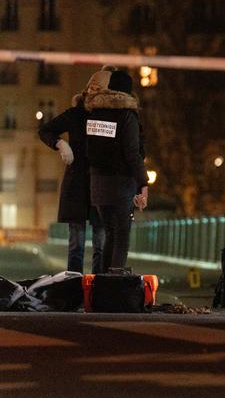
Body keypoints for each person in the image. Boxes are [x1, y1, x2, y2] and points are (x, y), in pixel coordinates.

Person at [38, 66, 115, 273]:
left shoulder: (111, 117)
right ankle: (73, 284)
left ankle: (98, 285)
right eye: (90, 87)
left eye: (97, 88)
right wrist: (60, 144)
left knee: (101, 243)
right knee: (76, 244)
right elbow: (45, 130)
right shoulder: (75, 114)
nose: (91, 91)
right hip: (77, 184)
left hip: (101, 183)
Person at [85, 69, 148, 273]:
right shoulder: (127, 115)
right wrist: (143, 183)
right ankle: (114, 283)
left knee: (110, 235)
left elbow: (91, 150)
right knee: (121, 237)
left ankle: (103, 281)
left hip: (98, 185)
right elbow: (132, 153)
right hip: (121, 184)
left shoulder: (95, 113)